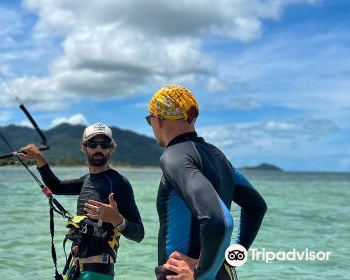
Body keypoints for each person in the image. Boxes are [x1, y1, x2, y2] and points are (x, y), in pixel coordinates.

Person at [146, 85, 267, 280]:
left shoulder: (174, 156)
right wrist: (229, 259)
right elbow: (257, 207)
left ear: (157, 120)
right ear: (192, 117)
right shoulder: (218, 157)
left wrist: (200, 274)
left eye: (148, 120)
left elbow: (219, 220)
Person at [18, 123, 144, 280]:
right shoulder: (86, 180)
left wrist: (116, 219)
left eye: (104, 145)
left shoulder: (119, 183)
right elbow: (56, 187)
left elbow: (139, 234)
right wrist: (39, 159)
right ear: (84, 147)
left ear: (111, 148)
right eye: (93, 144)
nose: (99, 149)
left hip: (97, 273)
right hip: (74, 269)